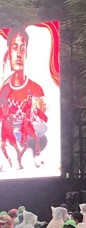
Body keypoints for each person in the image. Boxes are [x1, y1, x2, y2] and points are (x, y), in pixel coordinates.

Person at [0, 28, 46, 168]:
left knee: (40, 137)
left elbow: (42, 117)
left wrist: (37, 113)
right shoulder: (4, 90)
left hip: (26, 130)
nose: (19, 53)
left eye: (22, 48)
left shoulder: (37, 88)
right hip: (10, 131)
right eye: (15, 48)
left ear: (26, 53)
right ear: (8, 54)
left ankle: (35, 156)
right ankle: (9, 160)